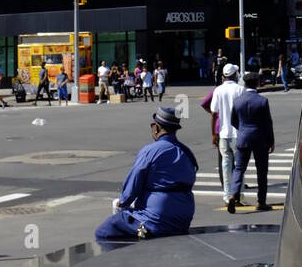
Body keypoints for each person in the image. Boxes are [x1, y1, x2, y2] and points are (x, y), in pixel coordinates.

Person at [94, 107, 198, 243]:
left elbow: (132, 185)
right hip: (183, 219)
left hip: (155, 219)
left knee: (104, 231)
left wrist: (122, 203)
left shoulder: (150, 151)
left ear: (156, 127)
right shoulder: (188, 153)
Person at [228, 72, 275, 213]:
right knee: (261, 171)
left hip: (243, 138)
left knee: (239, 168)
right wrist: (271, 141)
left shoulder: (237, 101)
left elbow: (233, 121)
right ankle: (261, 201)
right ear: (257, 83)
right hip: (260, 139)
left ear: (245, 83)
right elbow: (268, 124)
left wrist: (242, 130)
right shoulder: (262, 101)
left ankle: (233, 194)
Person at [210, 64, 240, 206]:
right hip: (238, 133)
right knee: (239, 166)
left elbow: (214, 110)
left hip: (223, 133)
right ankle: (238, 194)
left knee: (226, 165)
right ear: (235, 75)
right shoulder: (240, 90)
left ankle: (227, 195)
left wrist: (214, 134)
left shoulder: (218, 90)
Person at [200, 85, 223, 191]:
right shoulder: (239, 88)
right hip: (236, 128)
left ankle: (225, 183)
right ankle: (237, 183)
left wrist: (213, 134)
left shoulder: (216, 90)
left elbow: (204, 104)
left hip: (220, 128)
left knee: (223, 158)